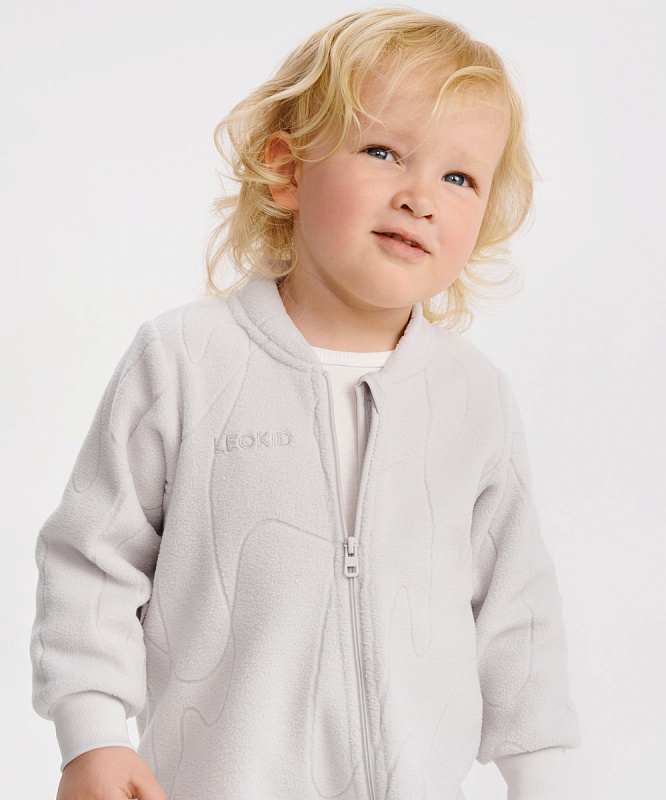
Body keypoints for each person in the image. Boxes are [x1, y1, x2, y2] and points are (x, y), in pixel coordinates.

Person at [30, 7, 581, 800]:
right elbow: (92, 559)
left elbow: (516, 608)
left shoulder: (474, 397)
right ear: (288, 170)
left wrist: (543, 779)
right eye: (384, 152)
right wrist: (91, 735)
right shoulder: (185, 360)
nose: (421, 197)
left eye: (459, 178)